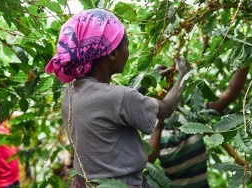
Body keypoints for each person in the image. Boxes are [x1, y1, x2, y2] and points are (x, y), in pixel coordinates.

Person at [45, 9, 190, 188]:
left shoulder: (70, 91)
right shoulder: (118, 97)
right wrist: (183, 75)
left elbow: (112, 107)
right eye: (126, 45)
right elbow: (166, 109)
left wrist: (146, 82)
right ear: (112, 54)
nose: (127, 51)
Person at [148, 66, 250, 188]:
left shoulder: (193, 115)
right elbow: (148, 159)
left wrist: (244, 63)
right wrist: (160, 121)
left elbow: (228, 95)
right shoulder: (152, 129)